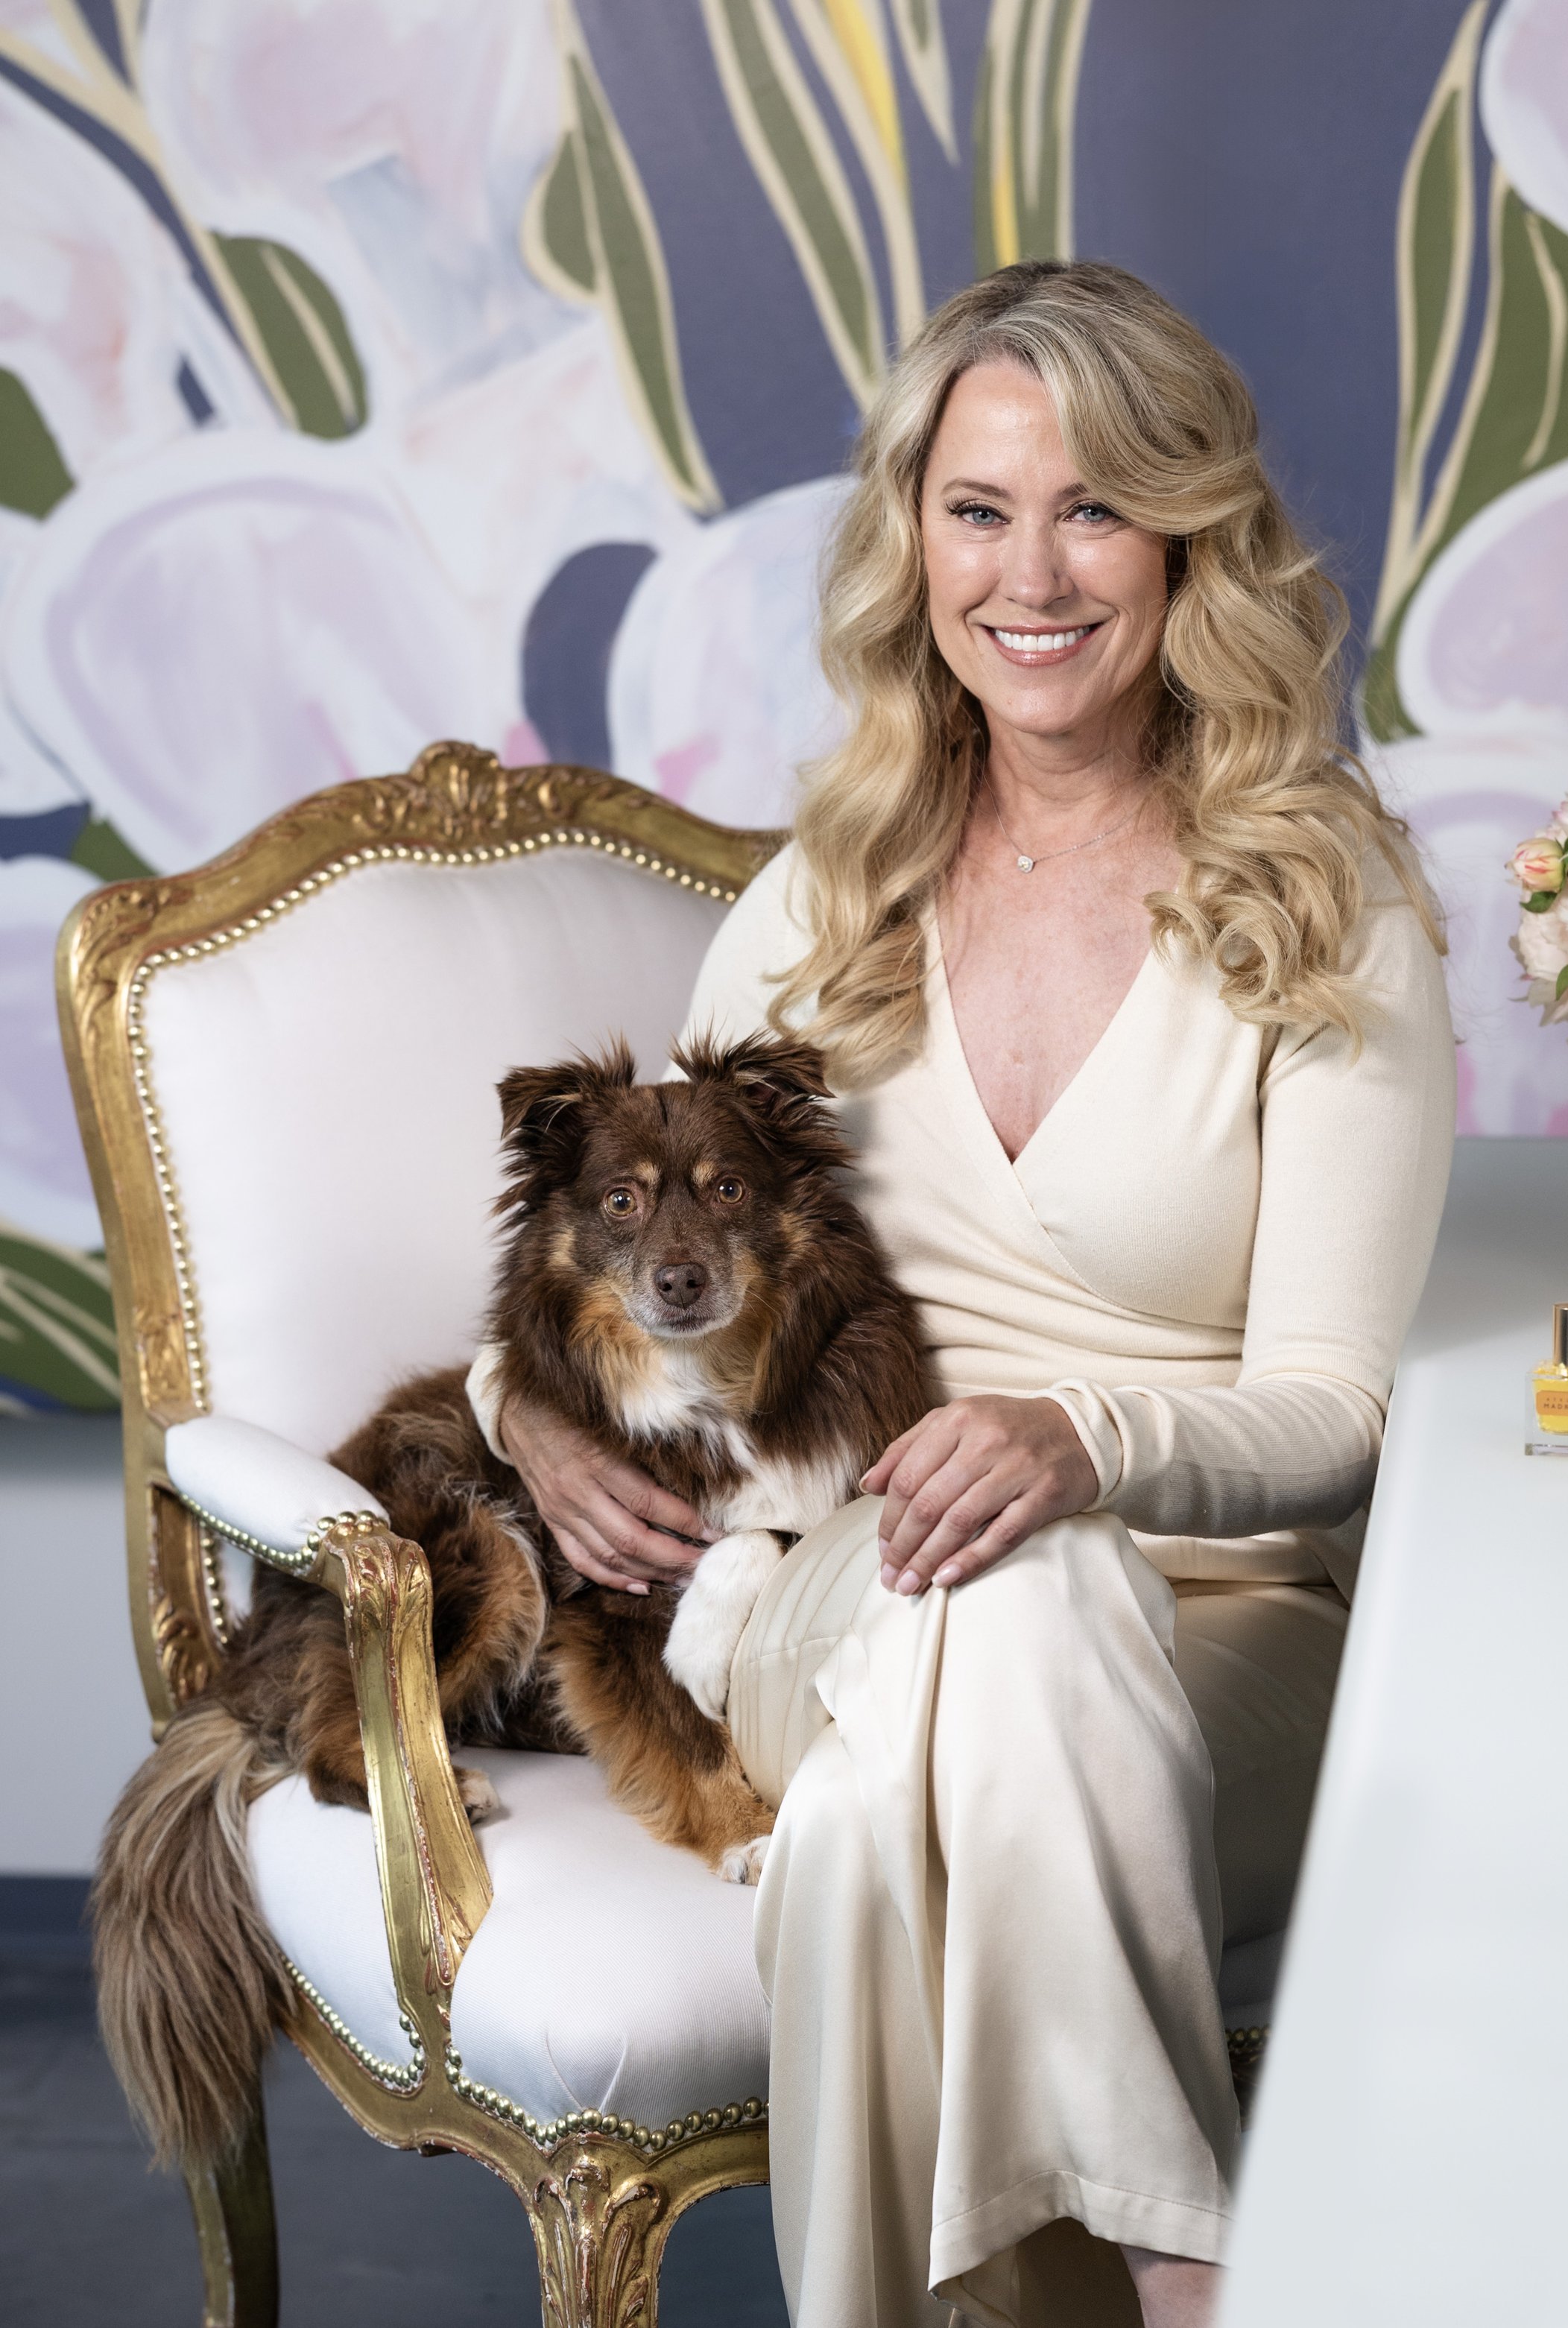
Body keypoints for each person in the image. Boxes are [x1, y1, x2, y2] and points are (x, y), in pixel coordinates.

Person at [472, 260, 1456, 2327]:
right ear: (911, 539)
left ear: (1192, 540)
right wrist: (527, 1419)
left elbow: (1333, 1403)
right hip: (837, 1591)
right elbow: (631, 1256)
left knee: (857, 1842)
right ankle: (1192, 2263)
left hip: (1229, 1630)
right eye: (978, 507)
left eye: (1095, 508)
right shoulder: (827, 892)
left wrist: (1078, 1443)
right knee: (988, 1593)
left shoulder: (1319, 888)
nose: (1034, 572)